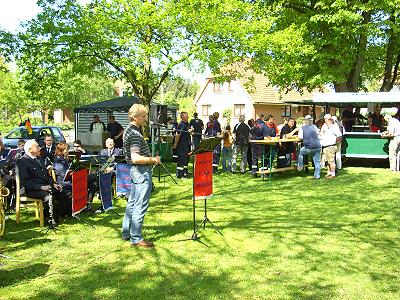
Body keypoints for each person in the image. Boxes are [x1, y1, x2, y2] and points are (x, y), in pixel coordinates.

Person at [122, 103, 160, 248]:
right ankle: (136, 238)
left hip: (135, 171)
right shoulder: (135, 134)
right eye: (143, 116)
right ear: (136, 117)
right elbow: (135, 158)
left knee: (131, 204)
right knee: (140, 205)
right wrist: (153, 160)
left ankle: (126, 233)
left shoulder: (128, 130)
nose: (145, 119)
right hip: (140, 171)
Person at [17, 140, 70, 225]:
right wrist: (41, 187)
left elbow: (47, 175)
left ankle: (55, 216)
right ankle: (48, 218)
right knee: (49, 197)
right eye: (37, 147)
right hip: (33, 189)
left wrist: (54, 184)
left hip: (46, 186)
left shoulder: (39, 158)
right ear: (30, 150)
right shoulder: (23, 161)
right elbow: (25, 182)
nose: (39, 148)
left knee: (66, 193)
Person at [297, 115, 322, 179]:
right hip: (318, 146)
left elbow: (300, 137)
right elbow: (318, 134)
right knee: (317, 162)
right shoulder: (314, 127)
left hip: (309, 147)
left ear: (305, 121)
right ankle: (317, 176)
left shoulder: (302, 127)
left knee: (300, 152)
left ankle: (300, 166)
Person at [320, 114, 342, 179]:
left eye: (327, 119)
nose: (325, 121)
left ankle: (333, 174)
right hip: (325, 146)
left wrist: (334, 142)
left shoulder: (334, 126)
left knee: (331, 161)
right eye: (325, 119)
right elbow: (322, 134)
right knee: (327, 161)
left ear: (330, 120)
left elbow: (339, 136)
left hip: (331, 146)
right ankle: (329, 173)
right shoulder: (325, 126)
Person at [173, 112, 191, 179]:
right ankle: (179, 174)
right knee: (181, 159)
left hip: (187, 144)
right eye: (186, 116)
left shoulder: (187, 124)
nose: (188, 117)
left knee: (186, 158)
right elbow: (178, 135)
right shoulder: (181, 124)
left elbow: (190, 132)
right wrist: (175, 143)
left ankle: (185, 172)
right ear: (182, 117)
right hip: (182, 144)